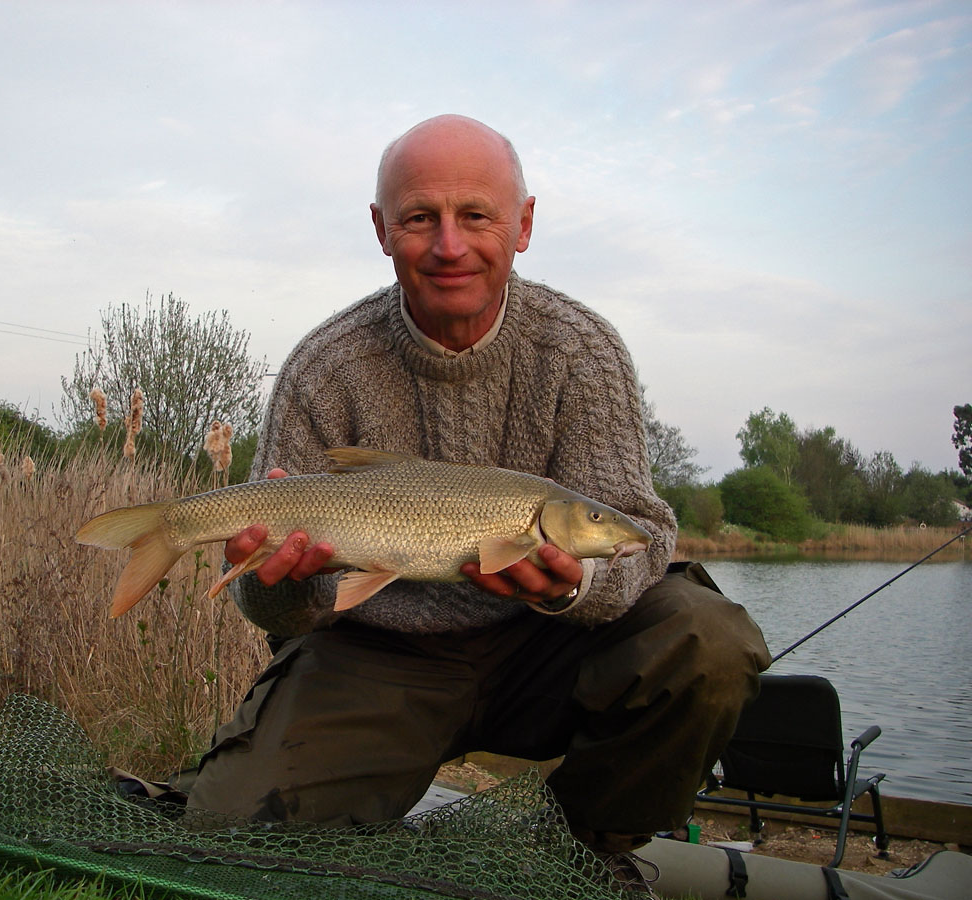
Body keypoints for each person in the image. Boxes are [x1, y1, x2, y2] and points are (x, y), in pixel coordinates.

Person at [185, 114, 771, 874]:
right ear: (382, 229)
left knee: (709, 640)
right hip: (379, 654)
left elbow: (643, 539)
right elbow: (283, 615)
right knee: (229, 830)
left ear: (523, 225)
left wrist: (577, 587)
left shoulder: (580, 351)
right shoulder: (324, 368)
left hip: (547, 650)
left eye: (477, 217)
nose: (450, 245)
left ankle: (581, 852)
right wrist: (273, 587)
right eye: (421, 218)